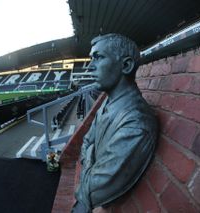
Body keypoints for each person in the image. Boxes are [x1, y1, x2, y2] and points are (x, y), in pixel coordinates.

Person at [72, 33, 158, 213]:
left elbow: (95, 190)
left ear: (126, 66)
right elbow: (86, 141)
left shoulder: (136, 122)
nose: (90, 67)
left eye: (99, 57)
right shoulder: (108, 101)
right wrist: (90, 156)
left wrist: (88, 156)